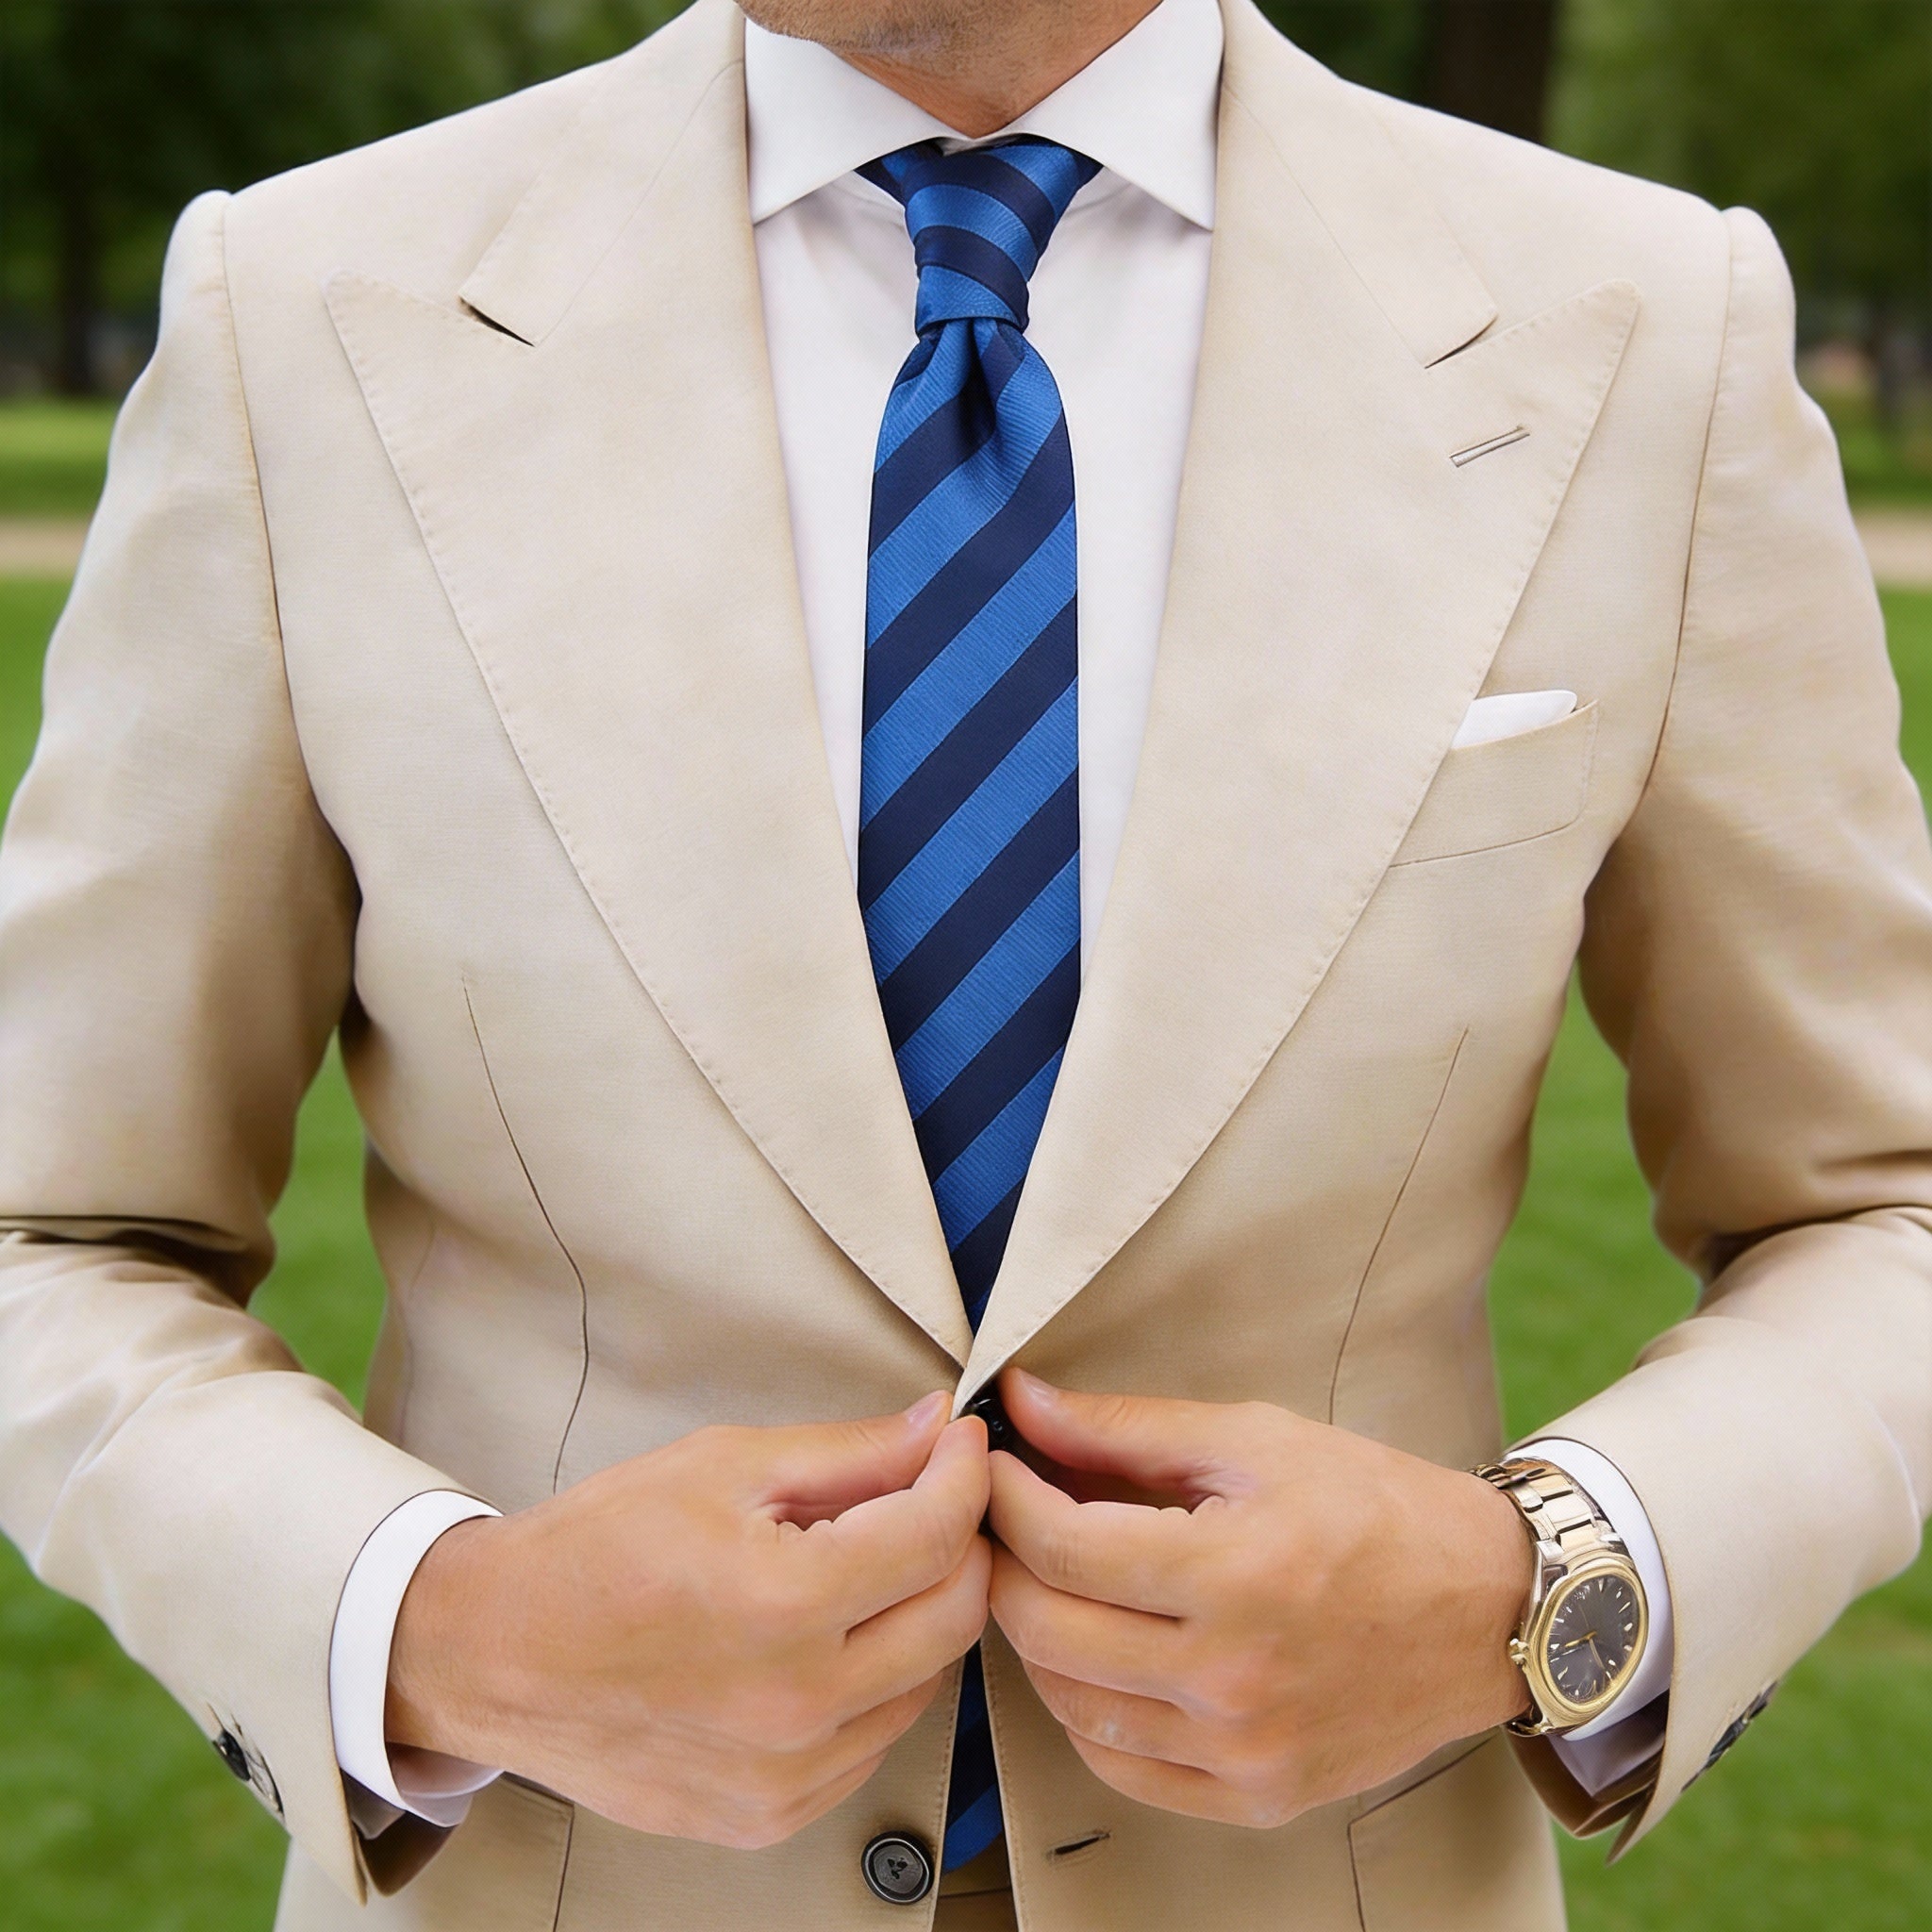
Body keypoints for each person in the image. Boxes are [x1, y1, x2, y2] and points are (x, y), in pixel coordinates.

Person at [1, 0, 1927, 1924]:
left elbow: (1881, 1204)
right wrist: (441, 1626)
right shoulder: (304, 309)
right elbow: (53, 1230)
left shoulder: (1647, 325)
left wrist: (1544, 1591)